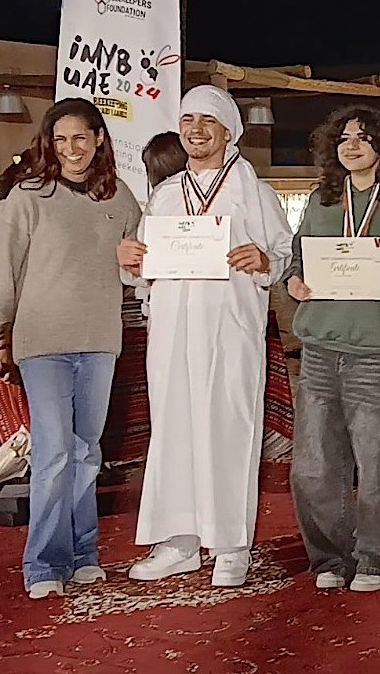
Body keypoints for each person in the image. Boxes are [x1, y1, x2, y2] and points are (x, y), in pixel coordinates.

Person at [117, 85, 294, 588]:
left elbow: (284, 253)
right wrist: (131, 260)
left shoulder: (253, 192)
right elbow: (142, 266)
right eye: (187, 120)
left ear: (228, 131)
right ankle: (178, 541)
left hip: (229, 331)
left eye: (207, 121)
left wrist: (266, 260)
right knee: (173, 430)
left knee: (229, 430)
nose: (195, 130)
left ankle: (231, 545)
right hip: (172, 331)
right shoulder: (166, 194)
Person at [0, 98, 141, 599]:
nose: (71, 149)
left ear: (99, 139)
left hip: (99, 341)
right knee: (54, 453)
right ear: (48, 144)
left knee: (86, 452)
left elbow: (136, 270)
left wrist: (135, 263)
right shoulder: (27, 196)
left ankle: (82, 555)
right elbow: (1, 270)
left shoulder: (120, 198)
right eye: (60, 140)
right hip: (43, 342)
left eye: (80, 137)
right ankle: (43, 565)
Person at [284, 106, 380, 593]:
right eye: (344, 138)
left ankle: (378, 559)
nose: (351, 145)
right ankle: (330, 556)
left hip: (377, 351)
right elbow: (298, 258)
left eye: (363, 138)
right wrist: (295, 281)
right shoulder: (321, 201)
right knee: (313, 465)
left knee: (379, 463)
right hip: (320, 348)